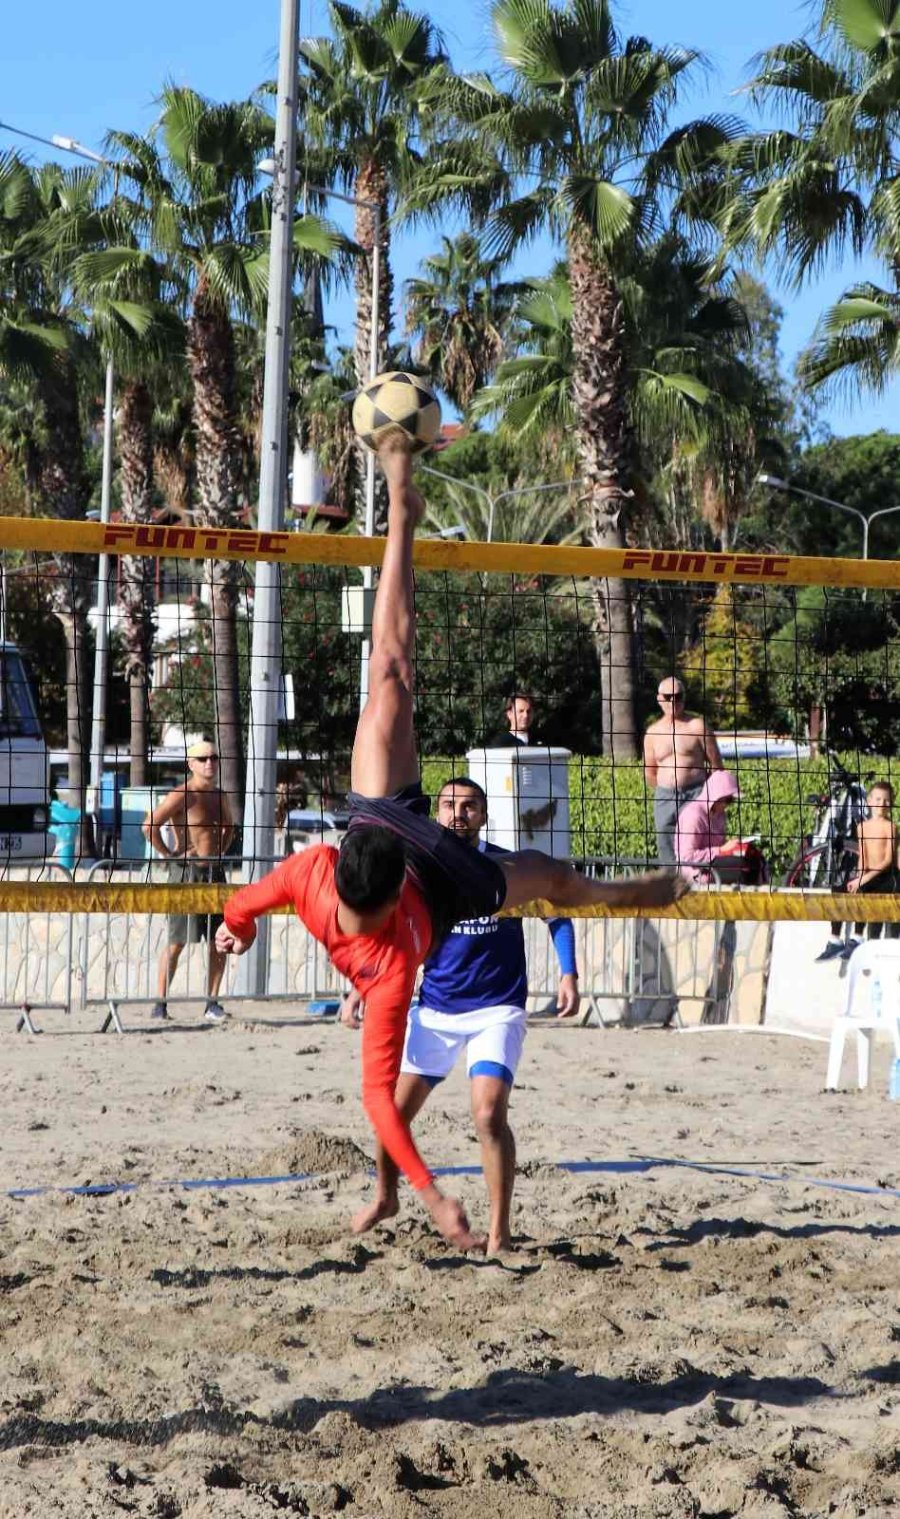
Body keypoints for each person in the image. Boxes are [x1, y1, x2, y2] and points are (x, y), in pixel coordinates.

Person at [216, 433, 685, 1253]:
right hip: (442, 878)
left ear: (338, 871)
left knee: (389, 671)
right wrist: (434, 1199)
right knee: (547, 878)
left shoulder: (318, 873)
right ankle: (626, 890)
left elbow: (245, 898)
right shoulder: (383, 957)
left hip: (396, 830)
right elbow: (374, 1107)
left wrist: (238, 921)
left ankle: (402, 504)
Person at [340, 774, 580, 1255]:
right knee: (391, 1114)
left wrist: (568, 973)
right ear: (437, 813)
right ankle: (385, 1197)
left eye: (470, 806)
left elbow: (557, 913)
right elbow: (382, 930)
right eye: (449, 804)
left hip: (498, 1008)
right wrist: (359, 986)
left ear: (485, 815)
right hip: (437, 1009)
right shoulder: (422, 870)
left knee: (489, 1114)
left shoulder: (502, 867)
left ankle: (499, 1235)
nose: (458, 813)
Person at [142, 738, 234, 1024]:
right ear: (191, 764)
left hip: (214, 874)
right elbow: (149, 826)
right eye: (203, 759)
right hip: (186, 873)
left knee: (220, 941)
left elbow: (230, 827)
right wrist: (169, 854)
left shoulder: (220, 796)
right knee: (177, 941)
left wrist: (220, 852)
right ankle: (160, 1004)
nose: (210, 763)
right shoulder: (182, 794)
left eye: (214, 758)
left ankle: (212, 1003)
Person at [643, 678, 723, 865]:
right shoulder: (652, 733)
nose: (673, 701)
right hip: (666, 797)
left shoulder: (697, 726)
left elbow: (717, 766)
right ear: (659, 699)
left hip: (696, 793)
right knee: (666, 846)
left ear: (684, 698)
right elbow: (650, 771)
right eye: (668, 697)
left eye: (678, 696)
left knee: (697, 844)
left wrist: (706, 795)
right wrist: (667, 789)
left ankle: (701, 887)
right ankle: (672, 889)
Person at [819, 781, 899, 962]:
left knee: (866, 889)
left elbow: (887, 861)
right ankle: (835, 940)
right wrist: (859, 877)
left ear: (892, 803)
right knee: (840, 888)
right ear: (869, 801)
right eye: (878, 799)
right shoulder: (862, 827)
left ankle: (857, 937)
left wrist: (863, 880)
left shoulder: (890, 828)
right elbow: (863, 857)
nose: (882, 804)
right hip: (870, 874)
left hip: (889, 877)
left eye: (886, 800)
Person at [673, 771, 742, 881]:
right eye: (727, 799)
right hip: (694, 878)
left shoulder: (719, 814)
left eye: (731, 800)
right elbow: (686, 857)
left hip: (714, 870)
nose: (727, 805)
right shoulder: (694, 816)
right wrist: (720, 850)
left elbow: (718, 846)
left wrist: (732, 848)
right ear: (715, 796)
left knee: (751, 864)